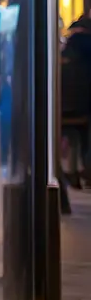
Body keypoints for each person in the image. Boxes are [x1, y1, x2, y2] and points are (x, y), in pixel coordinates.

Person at [61, 12, 91, 188]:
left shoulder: (67, 51)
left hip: (66, 105)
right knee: (84, 139)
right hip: (85, 106)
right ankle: (86, 171)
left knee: (70, 139)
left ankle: (71, 172)